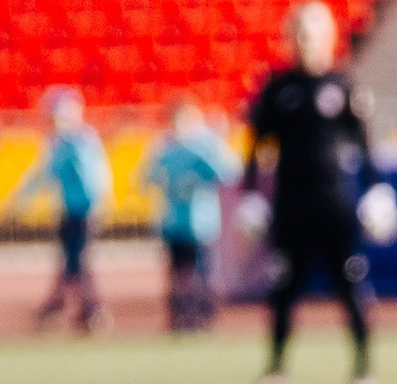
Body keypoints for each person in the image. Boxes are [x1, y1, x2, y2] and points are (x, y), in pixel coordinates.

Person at [240, 1, 397, 384]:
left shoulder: (344, 86)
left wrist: (377, 190)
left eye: (313, 35)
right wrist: (251, 195)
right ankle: (275, 371)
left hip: (334, 205)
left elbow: (366, 147)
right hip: (291, 205)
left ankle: (363, 371)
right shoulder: (277, 90)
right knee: (283, 290)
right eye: (299, 35)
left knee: (351, 287)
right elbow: (256, 149)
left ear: (328, 38)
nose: (306, 43)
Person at [4, 88, 113, 334]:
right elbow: (46, 173)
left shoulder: (78, 141)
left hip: (82, 211)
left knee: (76, 261)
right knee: (74, 260)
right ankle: (80, 308)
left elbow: (91, 177)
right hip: (71, 210)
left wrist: (22, 199)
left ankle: (76, 308)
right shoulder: (65, 142)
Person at [139, 98, 240, 334]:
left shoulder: (204, 147)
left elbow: (228, 172)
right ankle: (180, 315)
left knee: (201, 270)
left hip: (200, 221)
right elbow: (148, 178)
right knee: (177, 272)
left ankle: (202, 316)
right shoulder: (165, 148)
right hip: (175, 220)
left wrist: (213, 149)